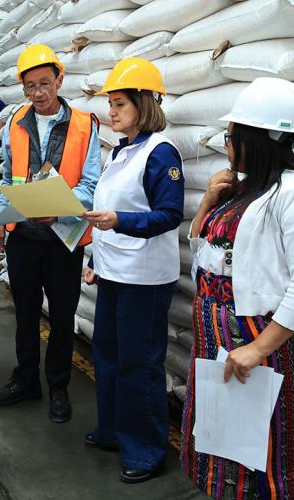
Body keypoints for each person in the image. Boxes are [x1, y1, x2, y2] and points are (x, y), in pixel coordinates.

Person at [180, 77, 294, 498]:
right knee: (219, 439)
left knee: (263, 449)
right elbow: (204, 248)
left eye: (232, 136)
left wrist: (258, 348)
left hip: (259, 339)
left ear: (259, 138)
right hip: (217, 337)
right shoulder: (241, 188)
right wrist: (208, 203)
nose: (227, 145)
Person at [80, 57, 184, 484]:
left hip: (143, 278)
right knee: (106, 353)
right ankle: (113, 431)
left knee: (138, 364)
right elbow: (106, 215)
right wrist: (93, 261)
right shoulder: (122, 153)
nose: (112, 112)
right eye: (110, 104)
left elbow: (168, 215)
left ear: (145, 103)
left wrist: (120, 222)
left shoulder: (161, 154)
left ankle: (146, 450)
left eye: (120, 103)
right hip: (113, 271)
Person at [0, 44, 100, 424]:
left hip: (61, 239)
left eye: (44, 84)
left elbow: (91, 183)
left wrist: (63, 207)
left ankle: (58, 386)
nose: (37, 93)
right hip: (22, 237)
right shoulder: (14, 121)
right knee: (24, 312)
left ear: (59, 80)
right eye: (30, 86)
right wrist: (1, 220)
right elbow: (8, 177)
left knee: (64, 314)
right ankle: (25, 380)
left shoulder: (85, 125)